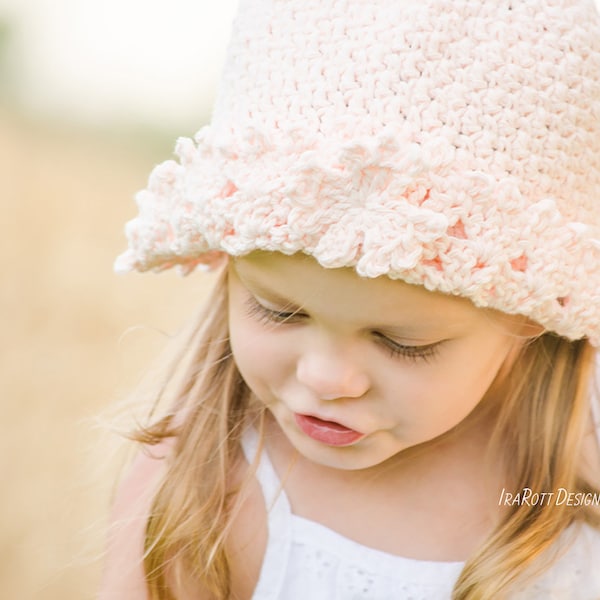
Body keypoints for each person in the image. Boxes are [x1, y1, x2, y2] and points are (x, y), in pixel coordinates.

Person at [101, 0, 600, 598]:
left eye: (401, 342)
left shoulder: (568, 488)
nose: (328, 378)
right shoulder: (204, 492)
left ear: (531, 312)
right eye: (278, 311)